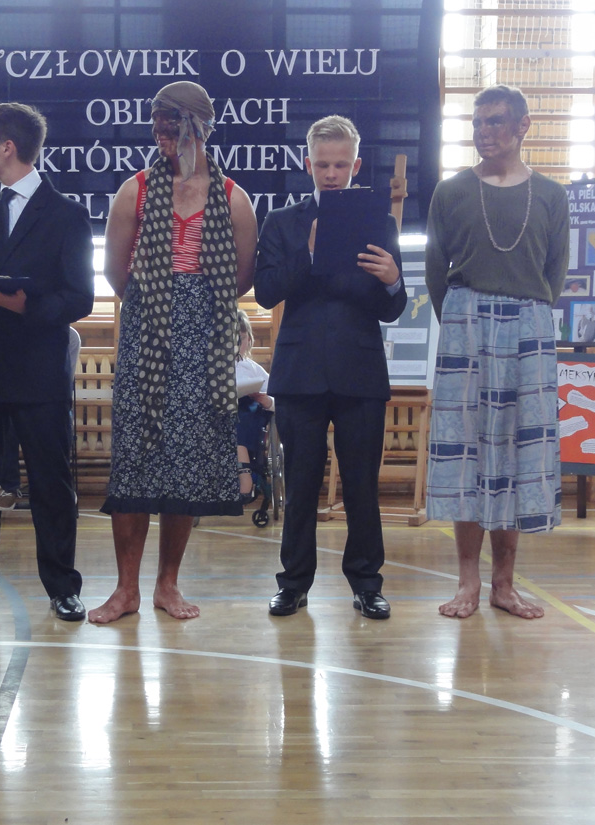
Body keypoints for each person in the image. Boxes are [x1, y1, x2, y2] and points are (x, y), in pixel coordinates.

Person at [88, 81, 259, 624]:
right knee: (136, 461)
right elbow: (116, 272)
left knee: (185, 463)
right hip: (146, 338)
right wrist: (161, 302)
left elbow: (241, 278)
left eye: (171, 122)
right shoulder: (134, 191)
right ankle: (125, 590)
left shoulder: (232, 197)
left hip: (204, 342)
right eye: (156, 122)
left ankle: (167, 584)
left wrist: (192, 306)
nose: (160, 132)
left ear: (199, 127)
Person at [0, 102, 94, 623]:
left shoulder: (68, 214)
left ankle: (62, 587)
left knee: (51, 483)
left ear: (7, 148)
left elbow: (80, 298)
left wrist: (25, 306)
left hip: (38, 369)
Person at [425, 84, 569, 620]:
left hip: (529, 324)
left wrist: (525, 312)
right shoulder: (451, 191)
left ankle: (504, 585)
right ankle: (467, 581)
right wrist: (460, 321)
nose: (484, 132)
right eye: (478, 122)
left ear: (523, 125)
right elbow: (435, 269)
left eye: (496, 121)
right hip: (465, 320)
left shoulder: (550, 195)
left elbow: (554, 272)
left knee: (518, 450)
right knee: (465, 450)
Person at [254, 115, 405, 620]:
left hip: (360, 370)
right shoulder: (282, 222)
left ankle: (367, 584)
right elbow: (266, 291)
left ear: (356, 165)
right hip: (300, 371)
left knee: (361, 484)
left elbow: (391, 308)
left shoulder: (379, 223)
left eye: (341, 165)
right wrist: (310, 253)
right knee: (300, 484)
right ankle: (293, 584)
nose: (332, 173)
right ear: (308, 164)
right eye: (323, 165)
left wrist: (392, 280)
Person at [235, 310, 273, 503]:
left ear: (249, 340)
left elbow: (275, 397)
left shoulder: (254, 369)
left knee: (244, 412)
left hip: (250, 414)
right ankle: (244, 474)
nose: (235, 345)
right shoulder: (214, 368)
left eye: (240, 339)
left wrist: (267, 401)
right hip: (222, 412)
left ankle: (245, 474)